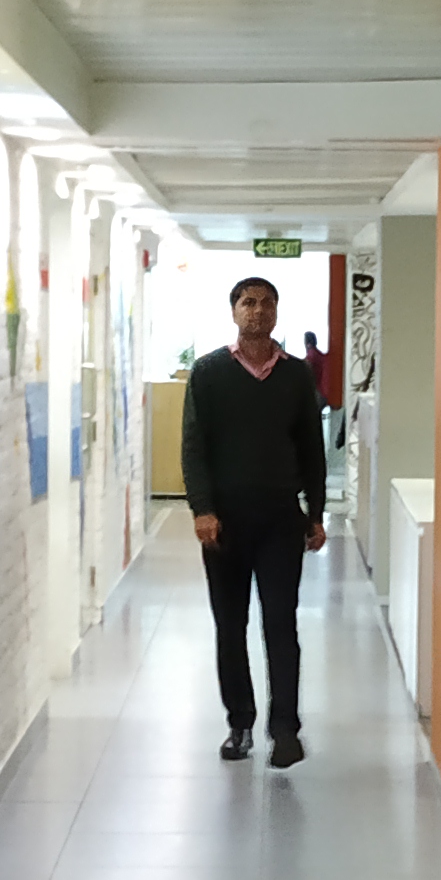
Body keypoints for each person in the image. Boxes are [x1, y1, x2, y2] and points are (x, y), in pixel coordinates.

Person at [182, 275, 327, 765]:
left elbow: (311, 448)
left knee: (281, 625)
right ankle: (239, 723)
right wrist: (202, 508)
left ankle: (285, 730)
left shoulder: (295, 375)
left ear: (277, 312)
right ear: (234, 312)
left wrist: (316, 513)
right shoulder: (208, 372)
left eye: (266, 303)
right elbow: (194, 446)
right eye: (248, 302)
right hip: (224, 525)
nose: (257, 311)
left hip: (280, 521)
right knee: (230, 626)